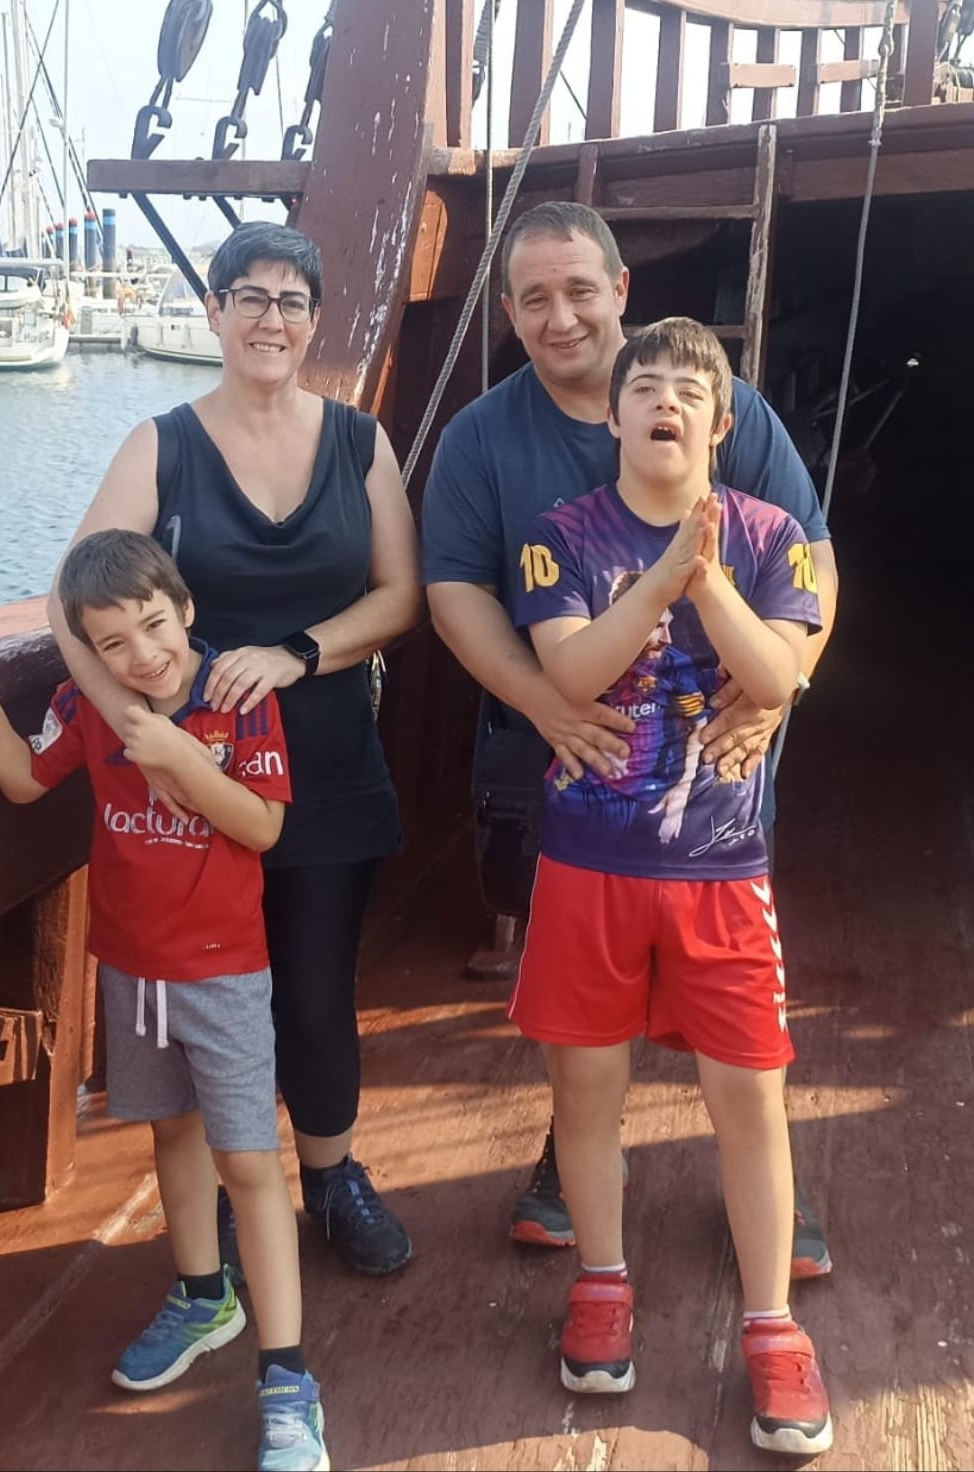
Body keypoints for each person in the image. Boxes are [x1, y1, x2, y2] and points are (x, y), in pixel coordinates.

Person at [421, 201, 837, 1271]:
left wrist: (782, 690)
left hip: (712, 769)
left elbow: (813, 555)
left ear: (620, 290)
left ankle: (766, 1191)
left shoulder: (719, 399)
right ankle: (568, 1159)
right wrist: (542, 700)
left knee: (738, 1025)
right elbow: (455, 591)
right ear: (508, 310)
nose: (559, 317)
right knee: (582, 1009)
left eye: (579, 291)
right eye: (534, 299)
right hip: (567, 755)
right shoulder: (480, 438)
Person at [46, 221, 423, 1280]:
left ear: (314, 320)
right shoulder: (161, 444)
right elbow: (70, 597)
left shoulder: (360, 442)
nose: (271, 318)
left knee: (314, 989)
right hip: (192, 779)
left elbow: (400, 595)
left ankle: (331, 1174)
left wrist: (298, 653)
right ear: (214, 312)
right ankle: (220, 1187)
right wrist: (138, 735)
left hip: (325, 762)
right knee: (203, 987)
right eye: (248, 296)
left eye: (291, 301)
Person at [0, 531, 329, 1472]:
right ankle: (203, 1296)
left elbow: (263, 827)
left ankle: (287, 1378)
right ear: (89, 651)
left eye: (154, 626)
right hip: (134, 973)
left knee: (249, 1164)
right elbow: (26, 779)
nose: (143, 655)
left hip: (224, 974)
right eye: (112, 643)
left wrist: (183, 761)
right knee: (171, 1134)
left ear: (185, 610)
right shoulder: (86, 705)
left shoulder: (237, 698)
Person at [513, 317, 831, 1455]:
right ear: (613, 415)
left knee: (751, 1097)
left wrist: (708, 581)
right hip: (587, 864)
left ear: (721, 422)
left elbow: (777, 676)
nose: (666, 403)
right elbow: (571, 669)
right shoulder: (559, 535)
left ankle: (772, 1325)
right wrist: (663, 578)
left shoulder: (773, 534)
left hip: (721, 868)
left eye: (690, 392)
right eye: (644, 386)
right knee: (585, 1092)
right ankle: (601, 1279)